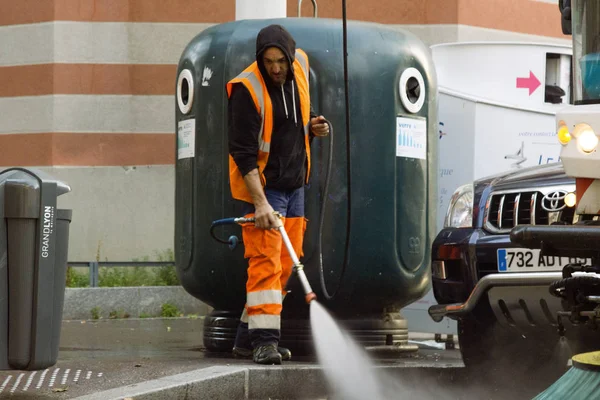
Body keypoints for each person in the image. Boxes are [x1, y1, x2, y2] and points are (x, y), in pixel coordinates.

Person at [226, 24, 329, 365]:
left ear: (289, 56)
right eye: (268, 62)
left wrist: (313, 125)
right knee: (265, 263)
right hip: (265, 189)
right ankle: (264, 341)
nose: (275, 69)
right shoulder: (247, 89)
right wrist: (260, 203)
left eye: (280, 61)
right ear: (259, 59)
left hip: (295, 185)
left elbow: (292, 118)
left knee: (287, 261)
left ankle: (244, 339)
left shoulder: (300, 65)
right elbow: (242, 153)